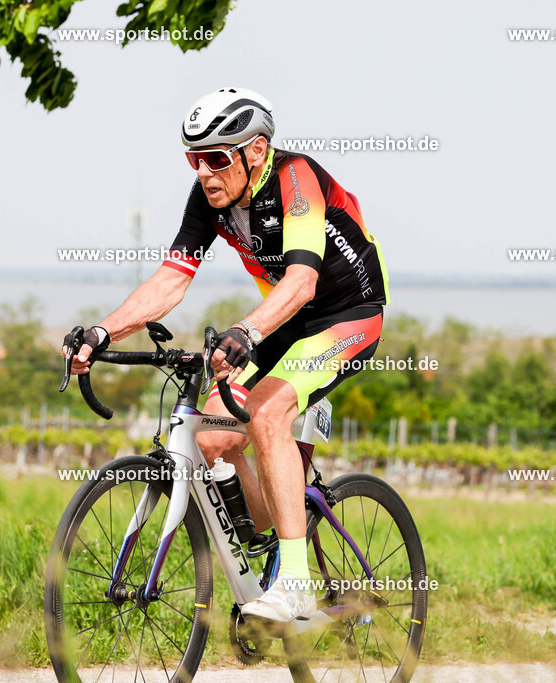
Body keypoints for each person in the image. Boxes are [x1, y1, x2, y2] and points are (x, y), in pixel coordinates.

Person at [64, 87, 389, 622]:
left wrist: (246, 330)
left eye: (216, 158)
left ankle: (295, 584)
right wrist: (103, 332)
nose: (204, 172)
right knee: (213, 437)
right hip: (283, 320)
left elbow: (303, 281)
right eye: (194, 159)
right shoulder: (209, 197)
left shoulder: (295, 178)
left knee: (266, 413)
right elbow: (171, 280)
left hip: (346, 314)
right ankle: (278, 546)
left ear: (256, 150)